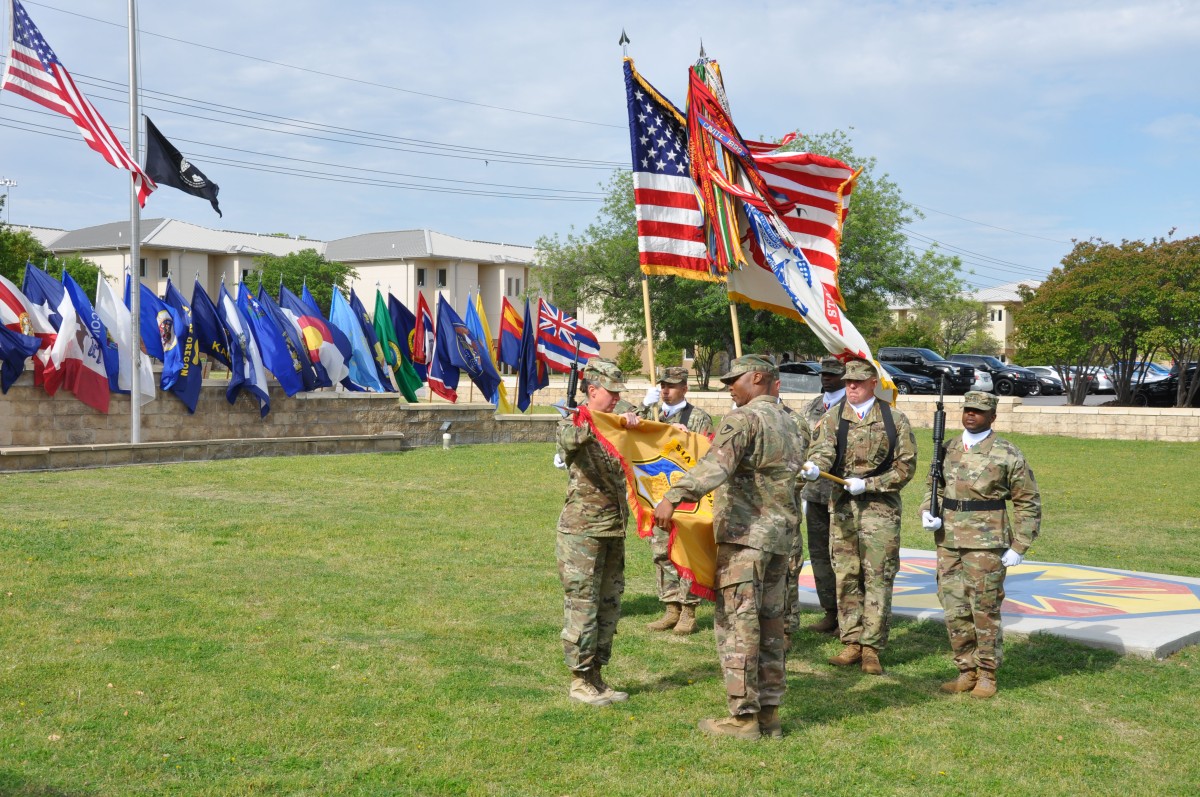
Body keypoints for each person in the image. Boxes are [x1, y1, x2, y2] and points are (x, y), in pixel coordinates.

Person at [653, 355, 803, 740]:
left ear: (757, 378)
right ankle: (769, 714)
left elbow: (715, 467)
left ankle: (743, 718)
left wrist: (674, 496)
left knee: (738, 627)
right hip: (779, 540)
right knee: (771, 627)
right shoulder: (792, 420)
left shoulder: (744, 419)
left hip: (745, 539)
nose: (730, 388)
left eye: (734, 380)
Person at [920, 391, 1041, 699]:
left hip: (986, 543)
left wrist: (1019, 545)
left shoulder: (1006, 453)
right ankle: (966, 669)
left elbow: (1027, 502)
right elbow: (933, 485)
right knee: (954, 608)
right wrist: (927, 511)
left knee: (984, 609)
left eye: (979, 411)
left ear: (992, 417)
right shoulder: (946, 448)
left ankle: (987, 673)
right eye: (968, 409)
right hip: (948, 540)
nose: (971, 415)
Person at [801, 358, 917, 675]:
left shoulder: (894, 419)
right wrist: (816, 467)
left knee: (878, 576)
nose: (851, 386)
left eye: (858, 382)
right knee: (847, 574)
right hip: (842, 508)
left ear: (872, 384)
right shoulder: (833, 418)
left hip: (880, 510)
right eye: (848, 381)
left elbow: (905, 467)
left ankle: (872, 648)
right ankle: (852, 641)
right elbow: (823, 450)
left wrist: (870, 484)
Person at [554, 358, 632, 707]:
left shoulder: (618, 421)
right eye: (610, 393)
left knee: (608, 603)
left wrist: (629, 425)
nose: (616, 399)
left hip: (613, 527)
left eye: (618, 393)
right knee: (583, 605)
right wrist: (607, 423)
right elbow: (570, 439)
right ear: (592, 390)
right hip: (581, 531)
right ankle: (578, 678)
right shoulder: (573, 420)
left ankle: (597, 674)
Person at [638, 366, 714, 635]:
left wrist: (686, 437)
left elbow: (707, 456)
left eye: (671, 386)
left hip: (686, 497)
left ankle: (689, 610)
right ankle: (671, 607)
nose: (665, 391)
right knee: (661, 551)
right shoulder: (651, 413)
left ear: (685, 388)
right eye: (662, 386)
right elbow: (629, 434)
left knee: (686, 552)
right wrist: (642, 407)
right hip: (656, 493)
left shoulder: (698, 418)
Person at [801, 357, 846, 634]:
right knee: (819, 555)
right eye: (824, 374)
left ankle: (850, 615)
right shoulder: (813, 406)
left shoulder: (851, 407)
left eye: (833, 374)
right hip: (815, 491)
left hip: (842, 492)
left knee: (843, 555)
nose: (826, 378)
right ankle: (830, 611)